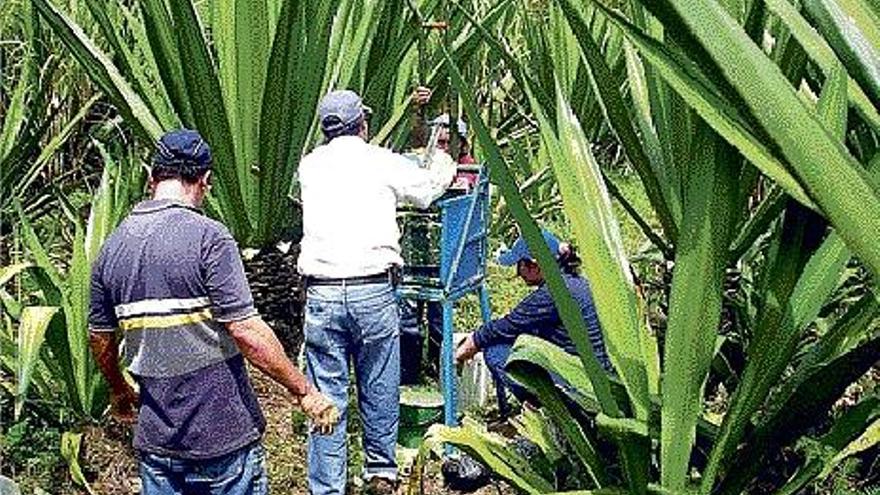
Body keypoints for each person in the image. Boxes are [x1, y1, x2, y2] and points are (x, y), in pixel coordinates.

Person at [88, 129, 339, 495]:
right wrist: (303, 390)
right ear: (205, 181)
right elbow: (245, 331)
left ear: (151, 178)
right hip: (221, 439)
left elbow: (100, 338)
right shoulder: (210, 237)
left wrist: (118, 390)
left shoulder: (111, 248)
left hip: (157, 443)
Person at [298, 89, 455, 495]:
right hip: (372, 289)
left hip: (323, 292)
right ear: (362, 125)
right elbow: (425, 192)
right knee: (379, 381)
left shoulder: (310, 166)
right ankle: (381, 472)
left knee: (326, 391)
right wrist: (444, 165)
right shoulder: (380, 161)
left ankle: (328, 487)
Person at [454, 229, 613, 418]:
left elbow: (509, 326)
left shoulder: (554, 292)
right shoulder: (577, 283)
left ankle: (550, 415)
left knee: (496, 351)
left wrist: (473, 342)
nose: (518, 274)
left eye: (519, 265)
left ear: (534, 266)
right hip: (598, 380)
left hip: (578, 389)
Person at [399, 87, 479, 384]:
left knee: (437, 319)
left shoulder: (466, 170)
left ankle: (438, 368)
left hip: (447, 258)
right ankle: (409, 375)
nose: (442, 147)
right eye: (439, 141)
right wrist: (417, 110)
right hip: (417, 258)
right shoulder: (421, 166)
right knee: (407, 321)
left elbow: (464, 197)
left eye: (448, 142)